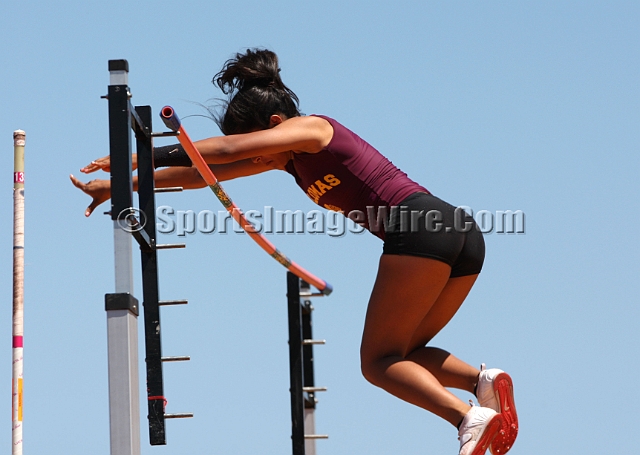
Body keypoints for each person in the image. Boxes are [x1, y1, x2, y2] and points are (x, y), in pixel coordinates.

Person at [71, 48, 517, 455]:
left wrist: (135, 155)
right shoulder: (289, 159)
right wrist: (118, 186)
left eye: (259, 146)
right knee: (404, 354)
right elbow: (201, 173)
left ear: (274, 124)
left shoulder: (314, 128)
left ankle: (467, 418)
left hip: (422, 226)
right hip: (455, 234)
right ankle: (483, 383)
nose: (258, 158)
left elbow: (224, 149)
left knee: (377, 363)